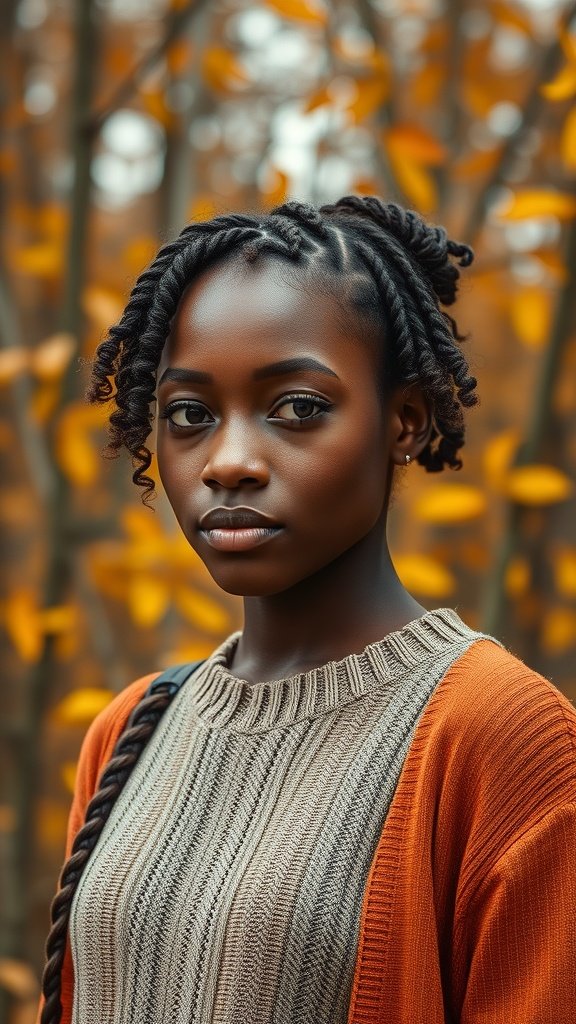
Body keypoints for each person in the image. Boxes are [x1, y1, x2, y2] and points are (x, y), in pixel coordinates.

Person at [38, 196, 576, 1024]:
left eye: (297, 407)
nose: (230, 462)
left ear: (404, 421)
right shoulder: (130, 731)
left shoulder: (499, 734)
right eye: (190, 415)